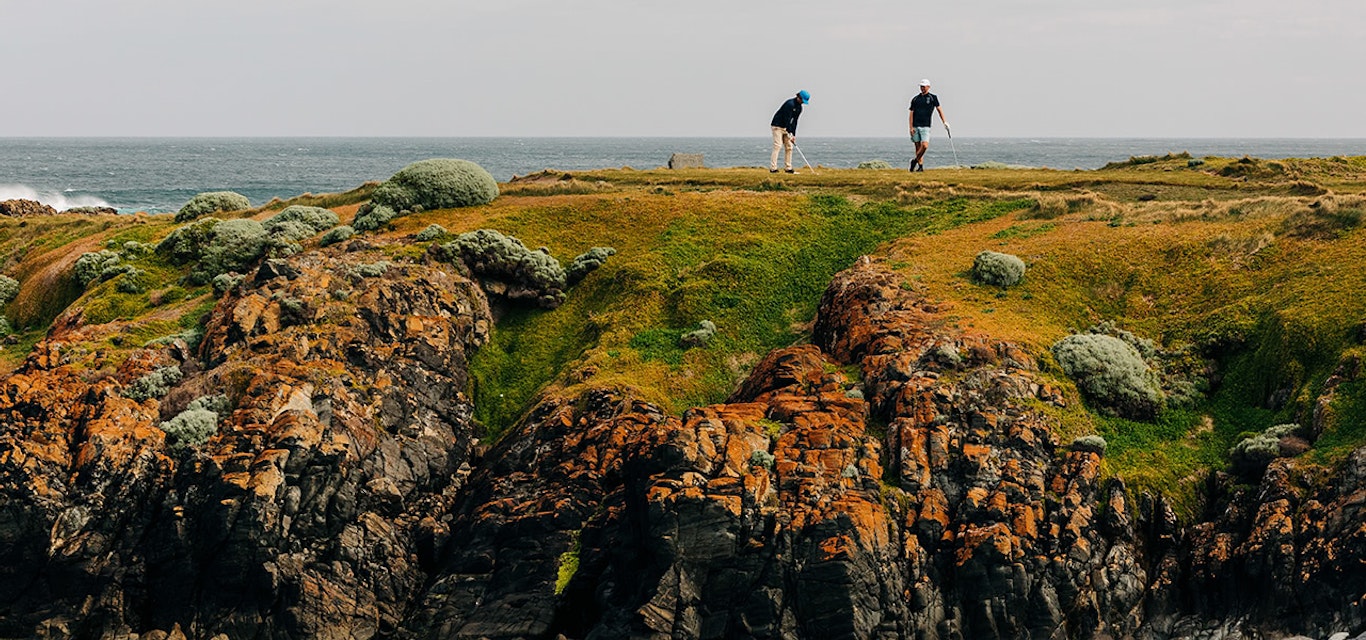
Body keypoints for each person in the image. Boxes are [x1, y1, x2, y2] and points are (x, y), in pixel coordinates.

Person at [908, 79, 948, 171]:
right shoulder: (915, 99)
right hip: (915, 126)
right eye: (921, 86)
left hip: (926, 126)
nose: (922, 88)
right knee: (917, 147)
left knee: (925, 146)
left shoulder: (933, 97)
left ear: (928, 87)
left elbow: (939, 109)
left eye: (924, 86)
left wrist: (944, 121)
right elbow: (911, 114)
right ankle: (920, 166)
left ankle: (914, 161)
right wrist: (910, 127)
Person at [770, 90, 810, 173]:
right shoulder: (789, 104)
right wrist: (789, 132)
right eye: (802, 100)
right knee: (778, 146)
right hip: (777, 126)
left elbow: (795, 121)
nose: (802, 102)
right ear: (798, 97)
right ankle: (773, 168)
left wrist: (793, 134)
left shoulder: (799, 108)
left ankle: (788, 168)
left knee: (789, 147)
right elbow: (787, 119)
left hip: (786, 127)